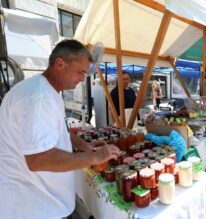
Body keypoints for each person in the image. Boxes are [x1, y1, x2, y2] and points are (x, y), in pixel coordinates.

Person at [0, 39, 120, 219]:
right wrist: (94, 156)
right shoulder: (38, 97)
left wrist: (85, 146)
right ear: (60, 64)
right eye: (80, 72)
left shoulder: (49, 91)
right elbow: (38, 159)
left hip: (44, 204)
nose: (82, 78)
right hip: (34, 209)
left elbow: (61, 131)